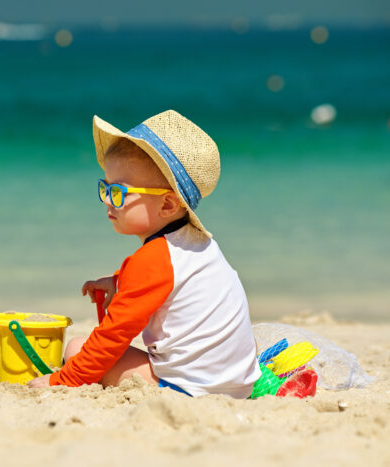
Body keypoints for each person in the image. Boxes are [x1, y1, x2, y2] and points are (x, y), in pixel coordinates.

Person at [28, 110, 261, 398]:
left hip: (190, 391)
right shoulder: (198, 246)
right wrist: (118, 282)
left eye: (118, 192)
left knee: (77, 348)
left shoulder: (153, 259)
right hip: (239, 383)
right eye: (105, 188)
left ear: (167, 205)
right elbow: (169, 283)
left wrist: (64, 379)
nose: (107, 202)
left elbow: (113, 335)